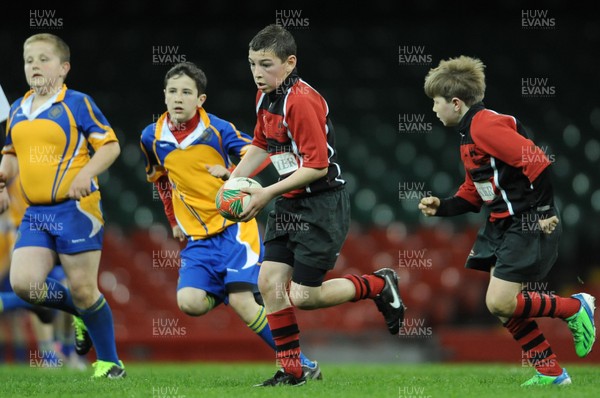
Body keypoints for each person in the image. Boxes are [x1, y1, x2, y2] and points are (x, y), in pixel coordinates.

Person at [228, 24, 405, 387]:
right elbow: (261, 145)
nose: (257, 73)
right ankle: (293, 369)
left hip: (322, 204)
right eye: (251, 64)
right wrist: (232, 182)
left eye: (266, 64)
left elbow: (317, 166)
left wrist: (265, 193)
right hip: (290, 203)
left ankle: (377, 285)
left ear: (290, 63)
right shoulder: (265, 97)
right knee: (269, 282)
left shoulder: (302, 101)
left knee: (304, 297)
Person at [418, 55, 596, 386]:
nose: (433, 110)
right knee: (503, 308)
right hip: (500, 224)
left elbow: (538, 162)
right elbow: (474, 194)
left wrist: (545, 211)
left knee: (498, 301)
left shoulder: (484, 125)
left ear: (455, 103)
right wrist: (441, 206)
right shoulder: (468, 132)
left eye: (436, 103)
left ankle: (575, 307)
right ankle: (551, 373)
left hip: (525, 221)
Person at [139, 61, 321, 380]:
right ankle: (229, 288)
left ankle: (301, 363)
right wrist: (172, 220)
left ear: (201, 99)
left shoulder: (218, 131)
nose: (178, 98)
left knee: (242, 303)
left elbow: (260, 151)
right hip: (197, 238)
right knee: (190, 302)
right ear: (164, 96)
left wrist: (233, 175)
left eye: (186, 92)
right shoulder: (151, 138)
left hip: (234, 230)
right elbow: (161, 181)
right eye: (172, 91)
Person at [0, 33, 125, 378]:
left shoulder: (78, 103)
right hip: (35, 213)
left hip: (76, 210)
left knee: (86, 289)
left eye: (44, 59)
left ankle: (111, 363)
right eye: (29, 60)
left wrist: (86, 173)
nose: (35, 66)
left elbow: (110, 147)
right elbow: (10, 155)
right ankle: (82, 312)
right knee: (25, 284)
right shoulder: (16, 108)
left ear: (64, 67)